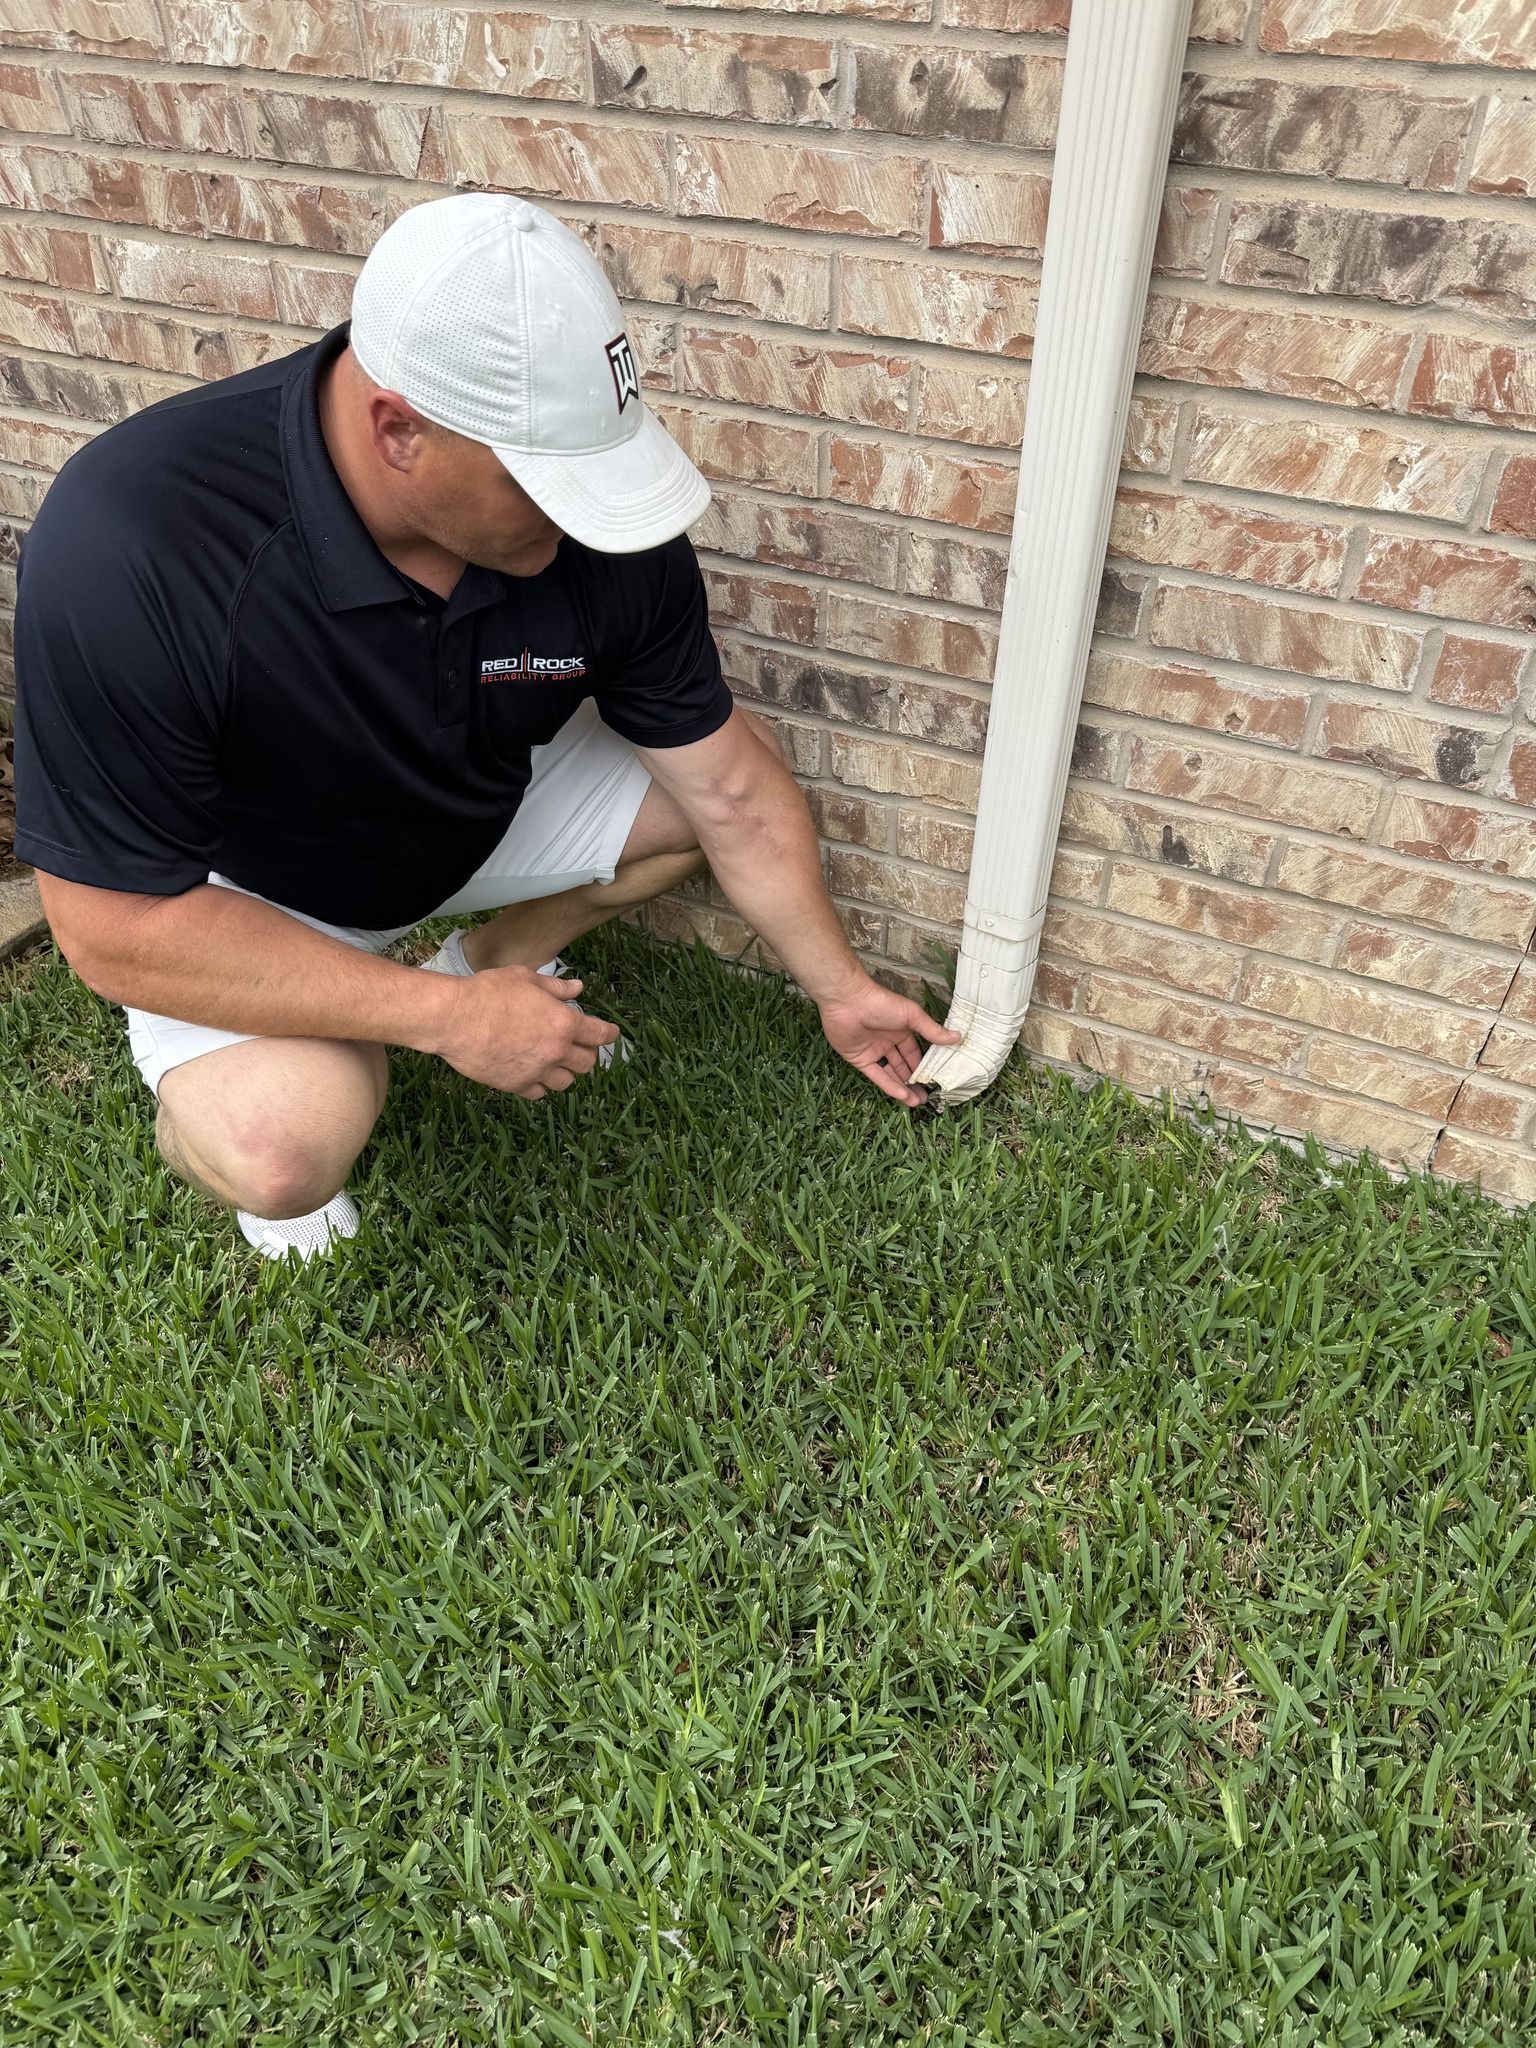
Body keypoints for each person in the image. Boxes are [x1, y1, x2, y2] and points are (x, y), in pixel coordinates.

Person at [12, 192, 958, 1261]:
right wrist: (442, 1026)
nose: (586, 516)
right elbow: (113, 929)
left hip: (463, 819)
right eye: (541, 485)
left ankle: (478, 965)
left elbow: (731, 790)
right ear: (399, 428)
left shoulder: (600, 527)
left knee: (699, 804)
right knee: (282, 1150)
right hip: (248, 896)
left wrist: (840, 991)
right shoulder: (135, 540)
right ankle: (296, 1059)